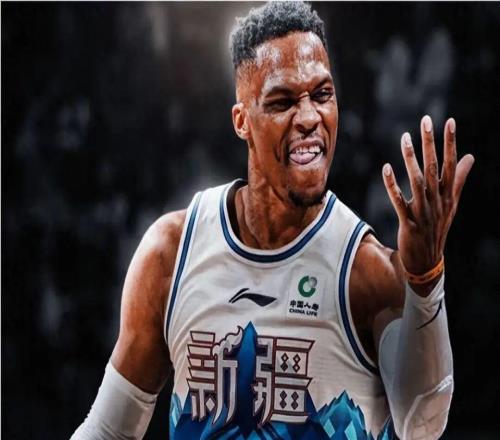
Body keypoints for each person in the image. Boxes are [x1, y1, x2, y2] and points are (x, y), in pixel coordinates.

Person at [71, 2, 474, 439]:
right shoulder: (171, 253)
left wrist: (425, 281)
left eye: (322, 94)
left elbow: (422, 425)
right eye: (283, 101)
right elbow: (108, 431)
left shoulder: (365, 271)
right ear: (242, 121)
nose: (309, 118)